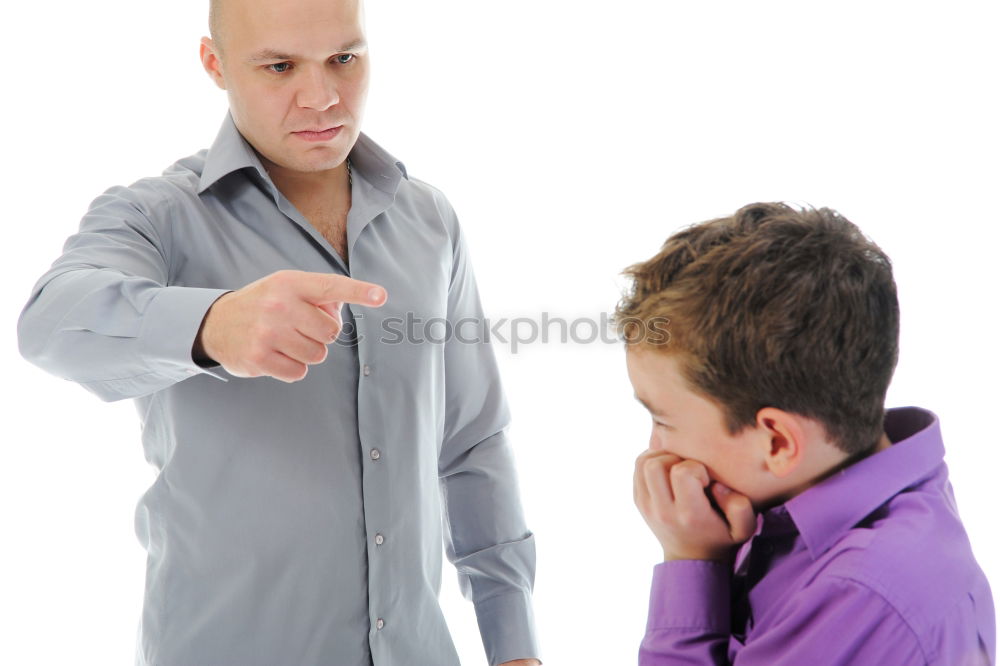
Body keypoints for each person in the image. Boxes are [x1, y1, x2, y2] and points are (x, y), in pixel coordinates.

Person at [15, 0, 540, 664]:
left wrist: (514, 642)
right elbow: (49, 321)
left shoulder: (429, 219)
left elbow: (471, 445)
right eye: (280, 66)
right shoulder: (159, 216)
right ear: (216, 64)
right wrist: (210, 326)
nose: (320, 98)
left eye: (343, 59)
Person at [613, 202, 995, 665]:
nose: (654, 449)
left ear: (776, 442)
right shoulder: (813, 509)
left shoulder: (859, 596)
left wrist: (689, 560)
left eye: (663, 422)